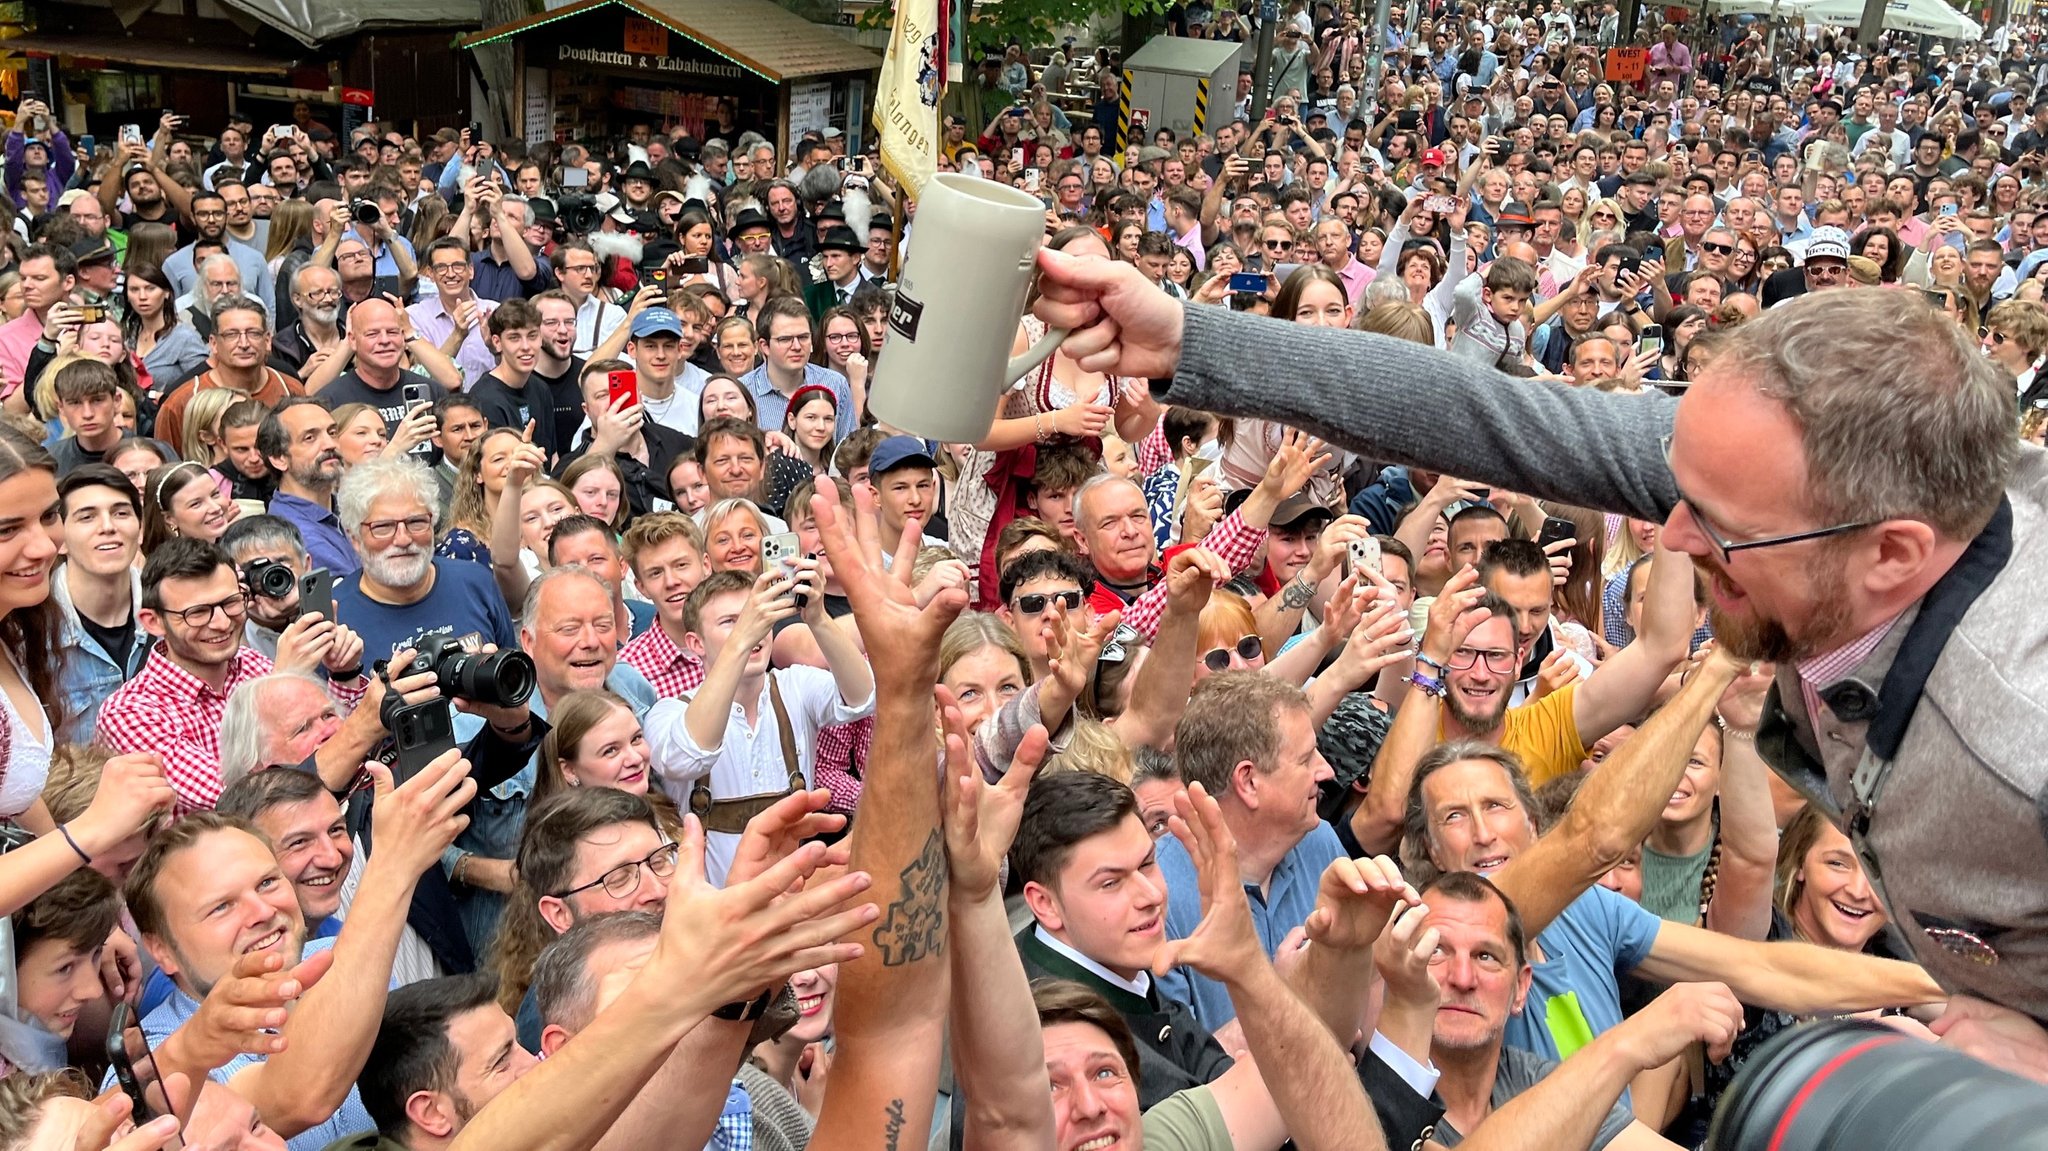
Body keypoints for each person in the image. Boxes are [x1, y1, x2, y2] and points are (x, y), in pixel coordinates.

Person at [1029, 241, 2048, 1073]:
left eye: (1717, 527)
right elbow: (1495, 417)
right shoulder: (1793, 478)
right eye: (1669, 493)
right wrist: (1188, 334)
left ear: (1891, 555)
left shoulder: (2016, 746)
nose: (1674, 539)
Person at [96, 537, 368, 812]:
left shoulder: (252, 664)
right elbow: (240, 801)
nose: (222, 623)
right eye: (198, 612)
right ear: (153, 622)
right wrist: (280, 683)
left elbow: (338, 755)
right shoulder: (130, 712)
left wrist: (345, 674)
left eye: (231, 602)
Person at [645, 566, 875, 883]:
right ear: (696, 644)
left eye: (756, 618)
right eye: (730, 622)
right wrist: (741, 641)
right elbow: (687, 756)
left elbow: (862, 697)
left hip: (793, 900)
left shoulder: (795, 687)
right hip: (716, 913)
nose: (752, 631)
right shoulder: (668, 711)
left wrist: (818, 620)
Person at [331, 454, 520, 663]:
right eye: (383, 527)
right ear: (355, 537)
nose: (403, 539)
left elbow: (517, 683)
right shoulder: (337, 616)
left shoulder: (476, 583)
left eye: (416, 522)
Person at [50, 465, 146, 742]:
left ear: (140, 531)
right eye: (87, 517)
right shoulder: (32, 630)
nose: (107, 527)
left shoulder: (171, 613)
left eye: (121, 513)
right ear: (60, 540)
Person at [262, 396, 359, 576]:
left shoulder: (347, 506)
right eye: (310, 438)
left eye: (332, 432)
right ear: (278, 459)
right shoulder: (294, 537)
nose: (330, 444)